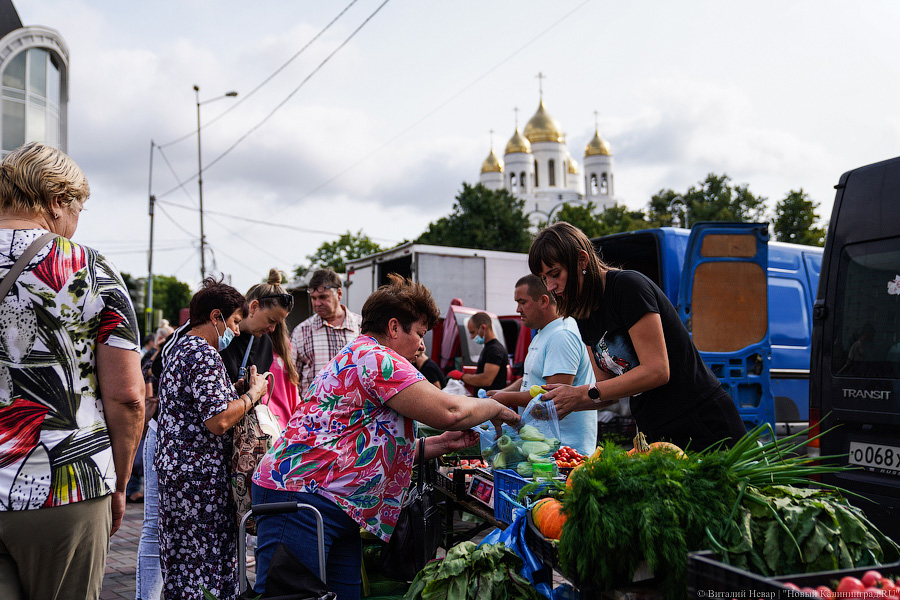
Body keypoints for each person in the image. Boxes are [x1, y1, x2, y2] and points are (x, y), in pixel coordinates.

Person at [251, 274, 520, 600]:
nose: (422, 345)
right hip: (300, 497)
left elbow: (367, 444)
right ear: (394, 328)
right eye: (420, 333)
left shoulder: (363, 353)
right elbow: (451, 411)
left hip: (332, 504)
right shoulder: (377, 358)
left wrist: (442, 443)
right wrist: (494, 405)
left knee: (346, 593)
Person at [0, 142, 144, 600]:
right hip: (66, 485)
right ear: (56, 201)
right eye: (78, 206)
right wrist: (120, 483)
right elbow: (127, 396)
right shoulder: (91, 270)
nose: (78, 219)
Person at [137, 270, 291, 599]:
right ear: (216, 317)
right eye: (235, 322)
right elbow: (218, 421)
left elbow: (199, 404)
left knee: (182, 562)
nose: (237, 331)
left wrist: (236, 391)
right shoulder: (203, 353)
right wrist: (253, 394)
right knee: (202, 563)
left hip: (180, 475)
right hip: (198, 481)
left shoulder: (180, 348)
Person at [528, 222, 746, 451]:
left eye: (555, 274)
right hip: (656, 430)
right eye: (544, 279)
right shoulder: (583, 314)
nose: (550, 286)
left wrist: (581, 393)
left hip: (702, 425)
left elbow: (657, 370)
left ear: (582, 260)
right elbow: (607, 390)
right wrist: (564, 402)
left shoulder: (628, 287)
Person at [490, 274, 597, 455]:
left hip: (564, 449)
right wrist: (504, 392)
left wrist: (503, 400)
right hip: (544, 446)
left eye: (522, 302)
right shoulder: (544, 332)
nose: (518, 309)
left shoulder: (561, 335)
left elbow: (552, 397)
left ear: (544, 301)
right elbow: (532, 380)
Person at [291, 268, 362, 393]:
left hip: (356, 410)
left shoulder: (361, 327)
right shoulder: (301, 332)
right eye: (313, 298)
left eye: (323, 297)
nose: (317, 303)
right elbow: (291, 379)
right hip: (314, 411)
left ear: (339, 294)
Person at [447, 312, 509, 393]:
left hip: (490, 401)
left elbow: (486, 380)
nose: (471, 337)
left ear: (483, 328)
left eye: (473, 332)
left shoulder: (495, 349)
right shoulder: (489, 348)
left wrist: (461, 376)